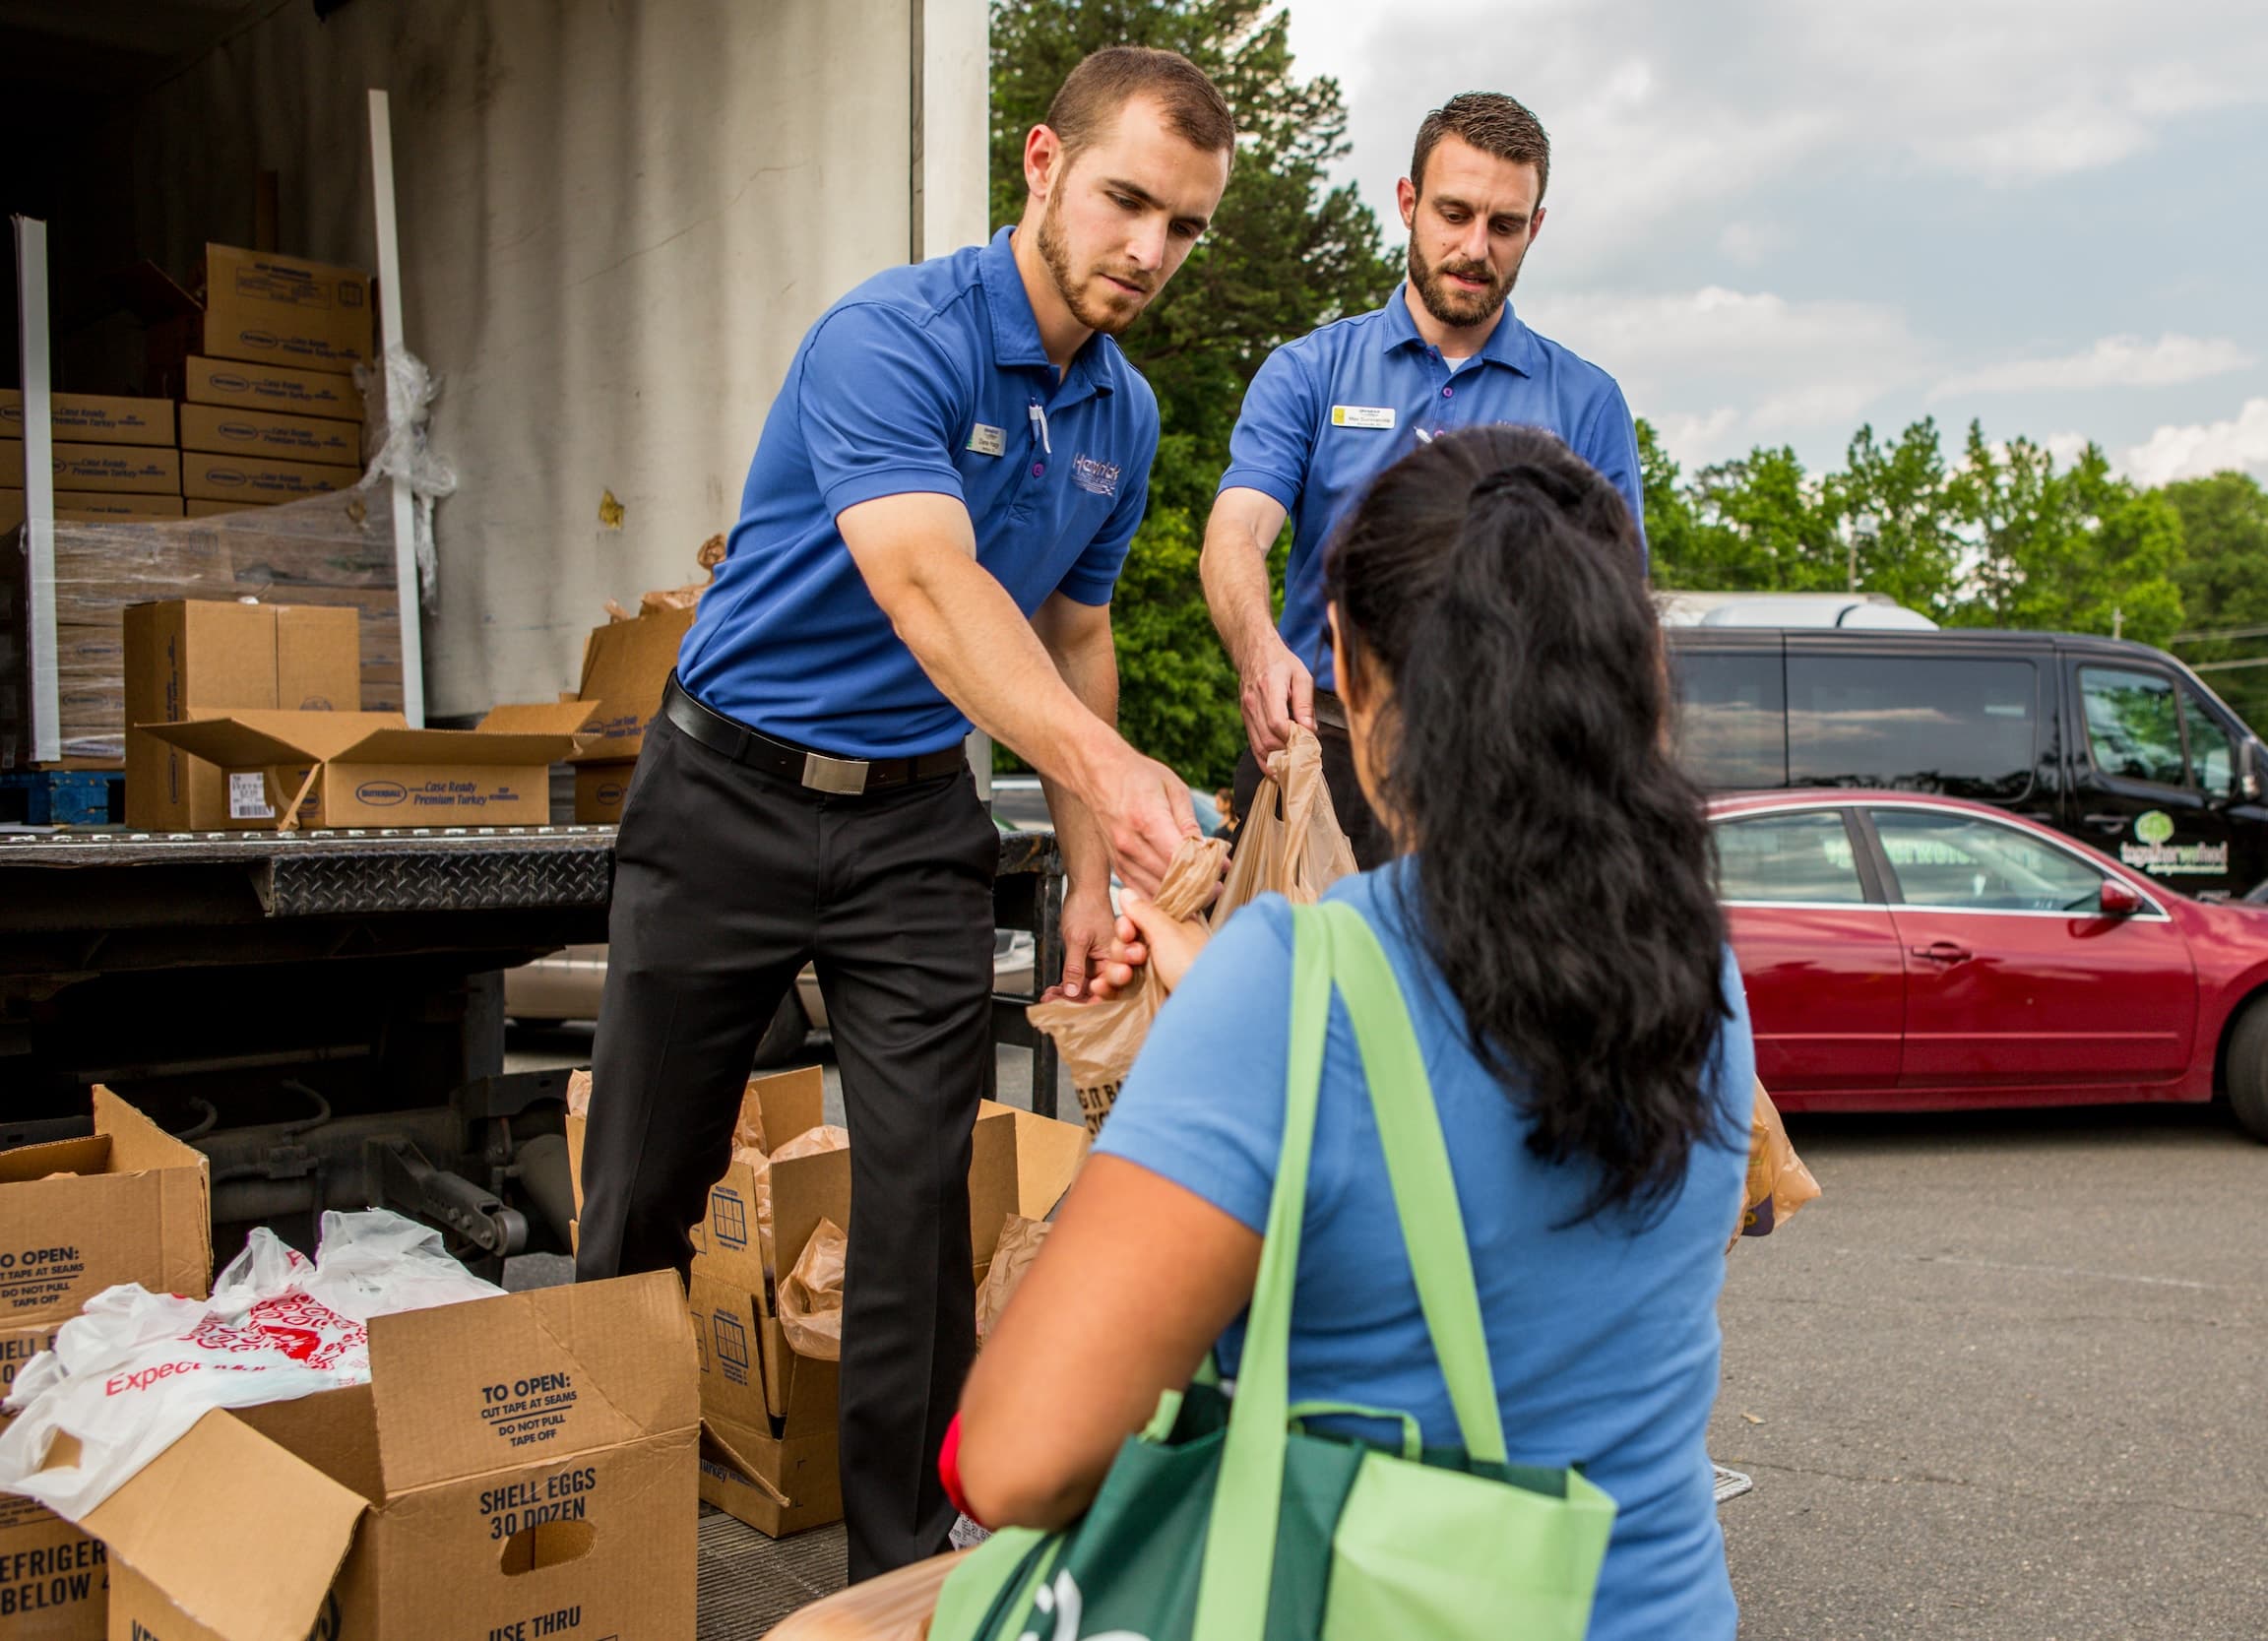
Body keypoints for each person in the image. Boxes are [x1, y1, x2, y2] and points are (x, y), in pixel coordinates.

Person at [574, 46, 1234, 1580]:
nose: (1150, 250)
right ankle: (607, 1545)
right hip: (726, 794)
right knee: (643, 1187)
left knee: (923, 1197)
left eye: (1185, 225)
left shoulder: (1124, 413)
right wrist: (1114, 771)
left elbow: (1075, 628)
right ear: (1042, 163)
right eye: (1128, 200)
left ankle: (906, 1572)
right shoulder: (890, 338)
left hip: (915, 827)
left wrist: (1087, 873)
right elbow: (928, 583)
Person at [955, 426, 1753, 1639]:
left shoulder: (1289, 993)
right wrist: (1229, 996)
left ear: (1344, 665)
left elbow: (1013, 1461)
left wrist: (1221, 1027)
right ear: (1633, 663)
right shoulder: (1695, 964)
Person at [1200, 92, 1648, 865]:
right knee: (1293, 952)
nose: (1476, 248)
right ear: (1408, 203)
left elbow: (1619, 612)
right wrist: (1257, 648)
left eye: (1505, 225)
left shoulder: (1587, 402)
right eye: (1454, 213)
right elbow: (1234, 532)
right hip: (1321, 756)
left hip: (1506, 775)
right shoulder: (1308, 372)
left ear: (1535, 228)